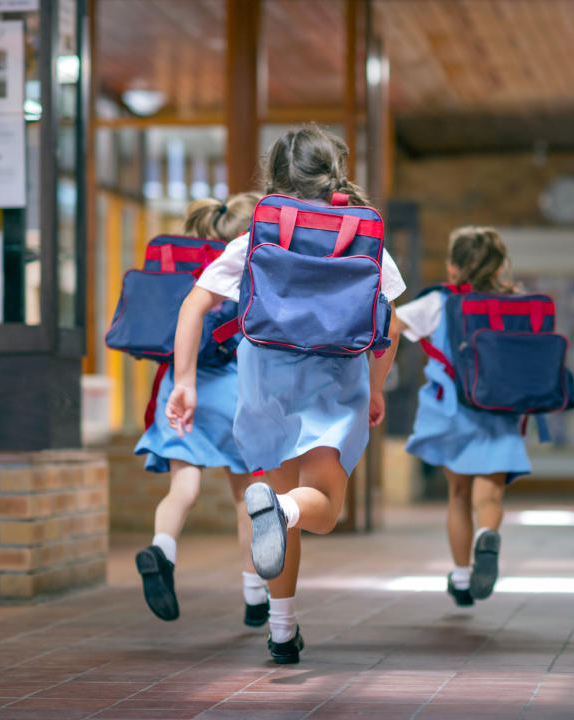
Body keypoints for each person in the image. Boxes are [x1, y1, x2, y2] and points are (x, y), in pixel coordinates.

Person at [165, 124, 405, 664]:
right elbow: (391, 323)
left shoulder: (256, 235)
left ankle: (281, 629)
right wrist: (375, 384)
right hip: (334, 382)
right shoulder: (364, 237)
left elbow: (193, 306)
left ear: (275, 175)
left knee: (278, 502)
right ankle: (281, 512)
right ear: (335, 172)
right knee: (319, 507)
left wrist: (184, 382)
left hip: (264, 383)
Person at [134, 193, 270, 626]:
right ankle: (255, 596)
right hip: (233, 390)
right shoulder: (244, 261)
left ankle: (162, 549)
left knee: (183, 489)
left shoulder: (185, 266)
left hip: (181, 386)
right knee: (245, 496)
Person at [394, 227, 531, 606]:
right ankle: (488, 532)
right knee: (489, 495)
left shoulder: (438, 301)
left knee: (458, 494)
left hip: (451, 410)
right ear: (498, 265)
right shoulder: (515, 301)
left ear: (453, 268)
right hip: (500, 411)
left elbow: (390, 326)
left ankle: (460, 575)